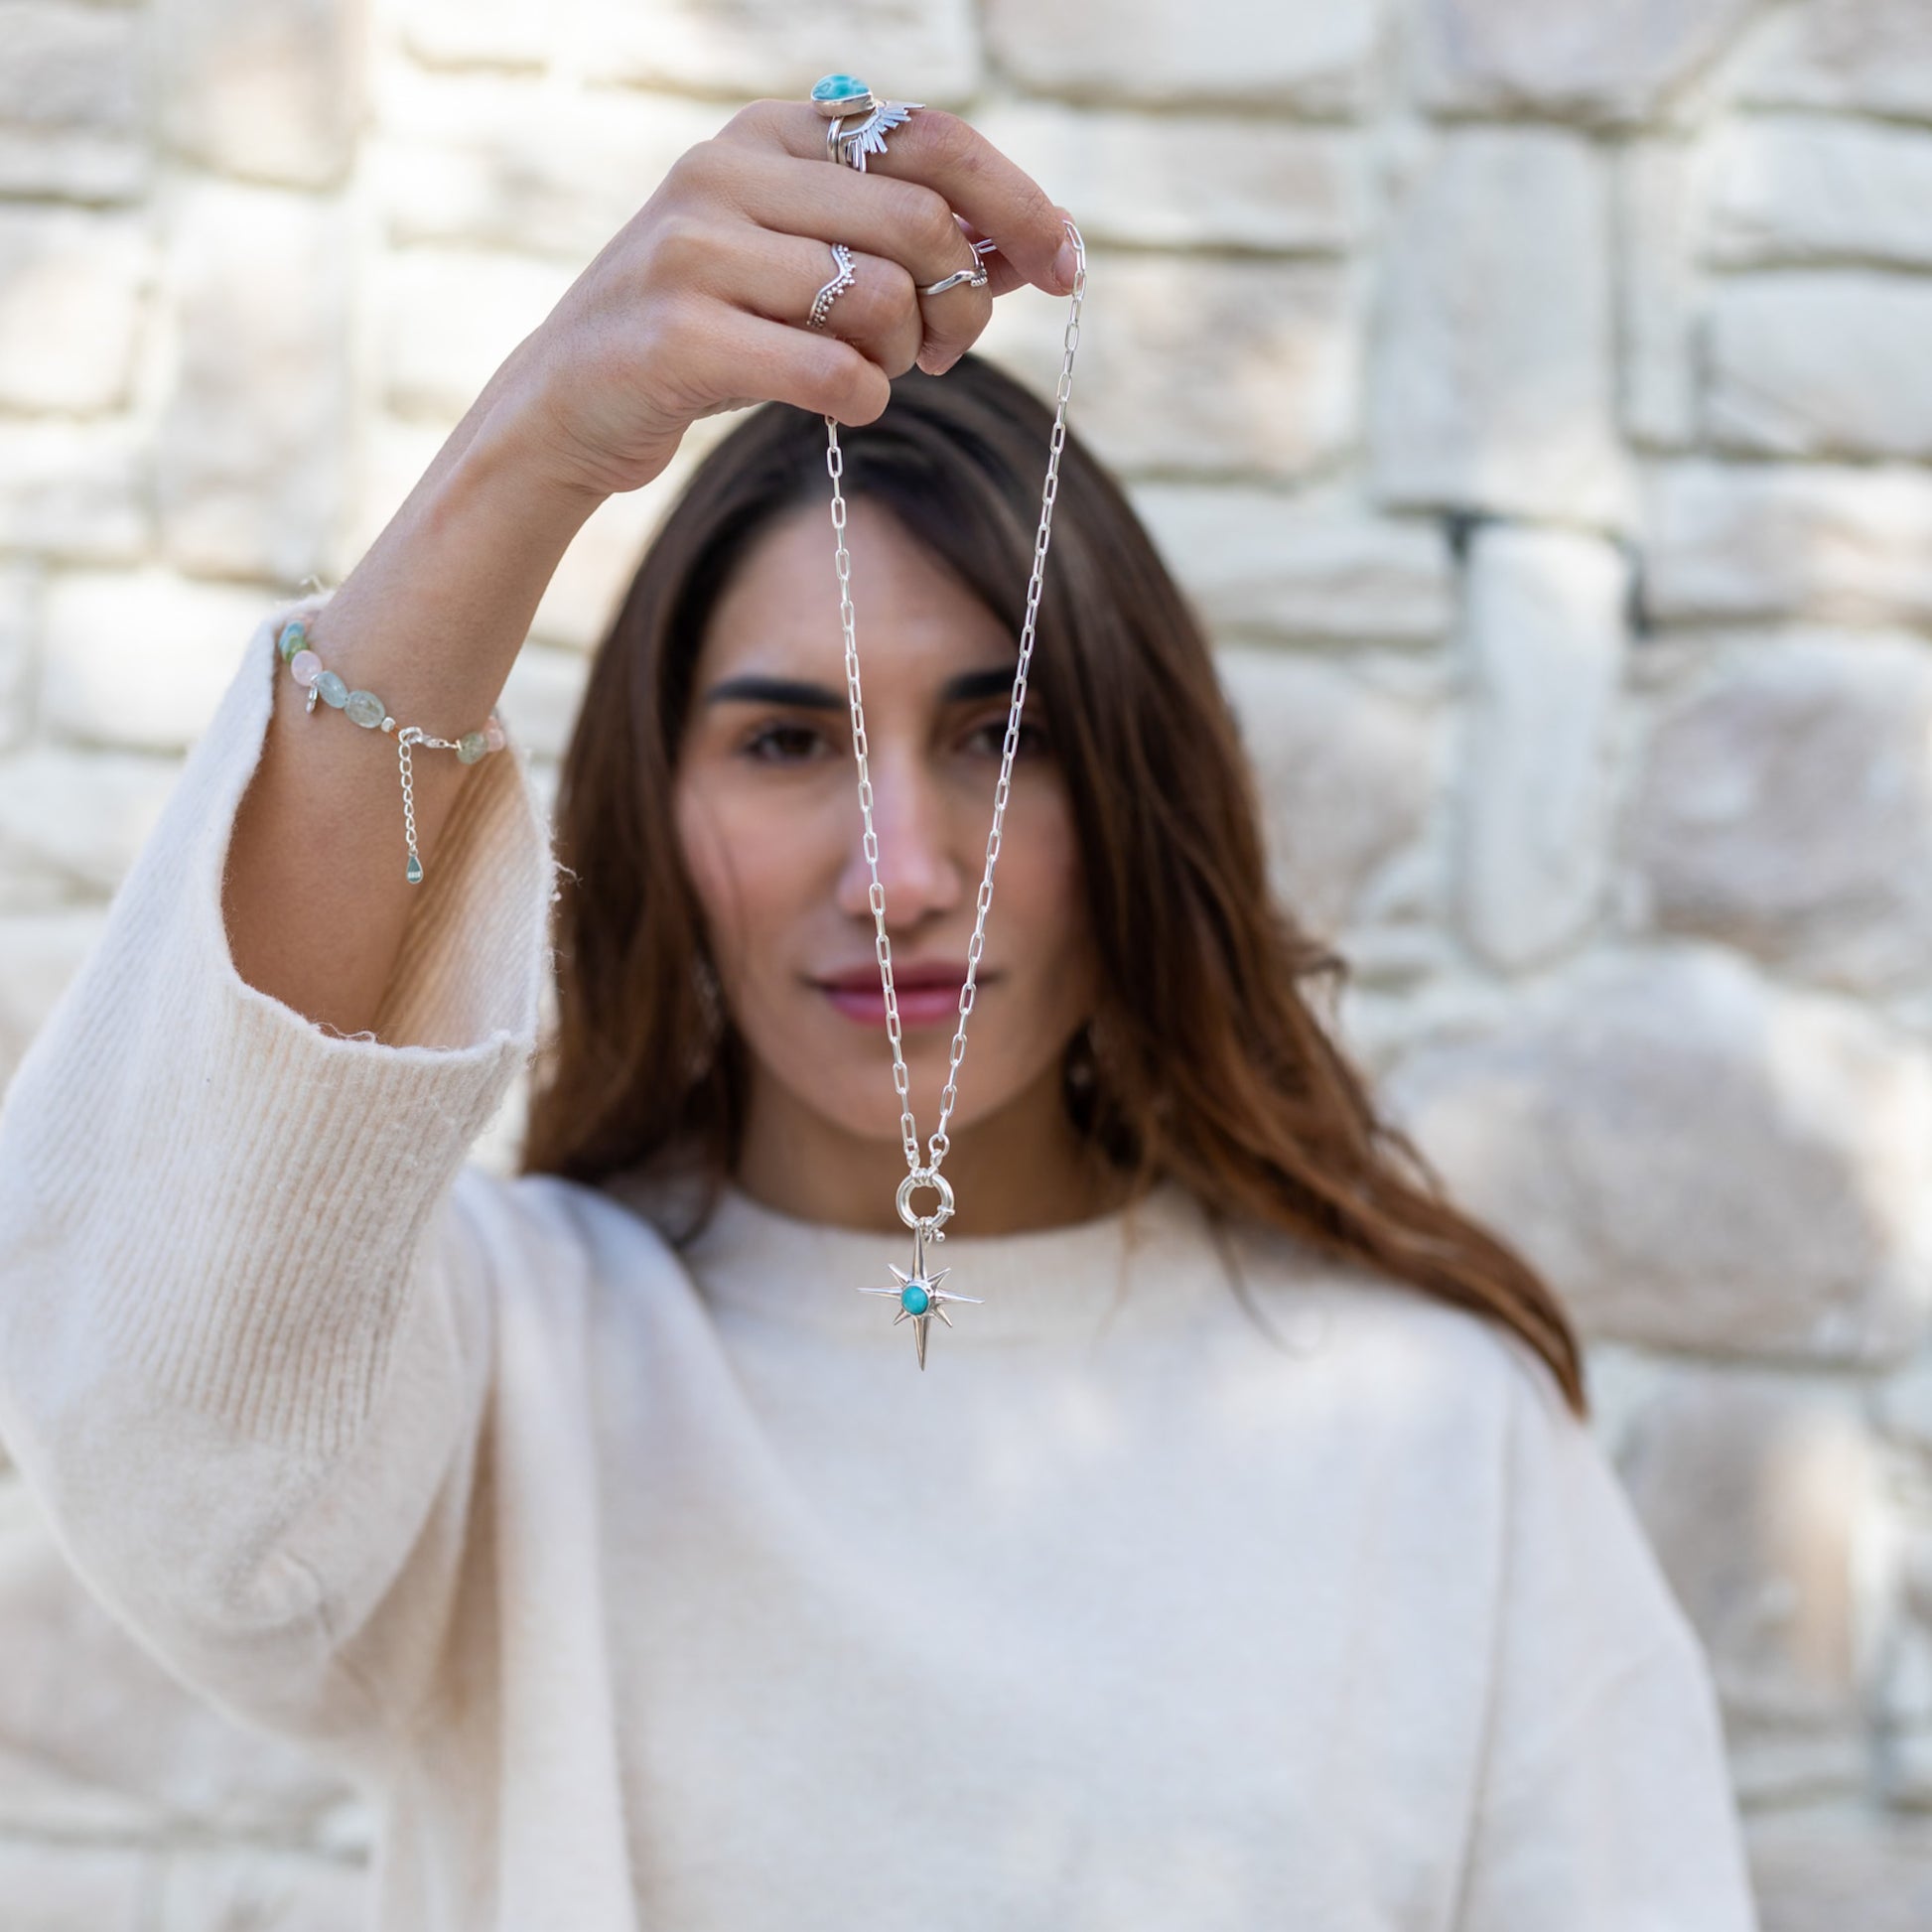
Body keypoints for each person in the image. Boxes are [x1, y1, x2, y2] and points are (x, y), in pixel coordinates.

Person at [0, 94, 1758, 1931]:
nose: (901, 868)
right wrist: (532, 447)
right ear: (655, 811)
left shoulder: (1438, 1436)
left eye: (1001, 733)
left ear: (1138, 789)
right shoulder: (491, 1367)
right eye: (786, 740)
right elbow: (147, 1398)